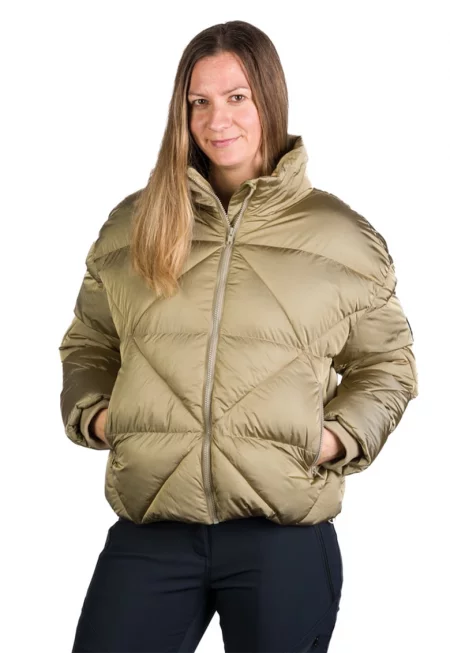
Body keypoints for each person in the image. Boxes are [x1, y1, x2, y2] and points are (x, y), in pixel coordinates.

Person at [59, 19, 419, 653]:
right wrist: (100, 417)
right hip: (154, 528)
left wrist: (334, 439)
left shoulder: (341, 237)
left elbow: (387, 365)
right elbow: (90, 343)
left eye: (236, 97)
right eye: (198, 101)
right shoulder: (135, 225)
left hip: (281, 534)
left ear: (269, 101)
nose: (216, 119)